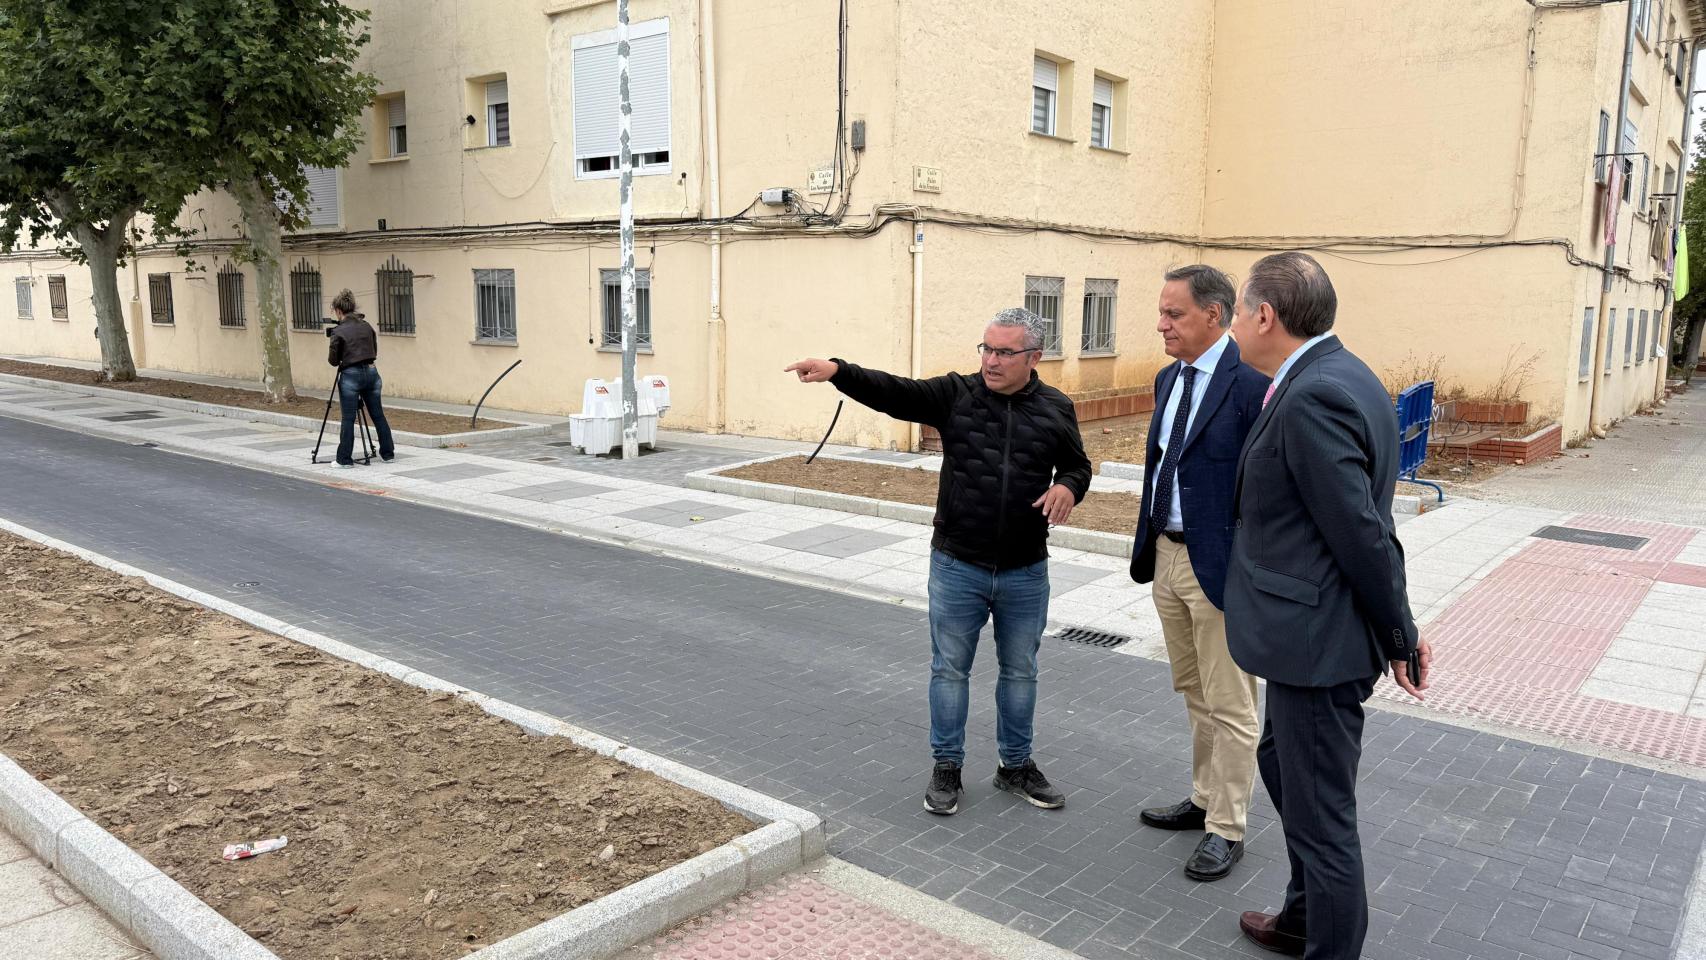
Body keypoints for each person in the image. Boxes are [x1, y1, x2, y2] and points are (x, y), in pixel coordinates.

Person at [785, 307, 1091, 816]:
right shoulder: (957, 394)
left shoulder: (1057, 407)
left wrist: (1068, 486)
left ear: (1034, 358)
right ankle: (947, 766)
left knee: (1021, 672)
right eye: (986, 349)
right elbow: (895, 392)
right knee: (949, 671)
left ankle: (1015, 766)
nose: (991, 361)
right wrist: (839, 370)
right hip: (957, 565)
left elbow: (1077, 464)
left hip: (1025, 569)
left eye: (1004, 352)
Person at [1222, 252, 1432, 958]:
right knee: (1282, 765)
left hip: (1319, 645)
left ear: (1264, 315)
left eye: (1237, 309)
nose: (1231, 324)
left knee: (1325, 826)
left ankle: (1328, 941)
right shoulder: (1336, 373)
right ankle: (1303, 918)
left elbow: (1363, 532)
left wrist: (1401, 633)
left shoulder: (1315, 393)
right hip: (1306, 636)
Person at [1129, 265, 1269, 882]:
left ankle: (1228, 828)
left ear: (1215, 315)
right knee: (1193, 689)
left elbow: (1265, 491)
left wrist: (1250, 569)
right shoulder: (1168, 378)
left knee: (1232, 701)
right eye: (1160, 313)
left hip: (1219, 568)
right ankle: (1205, 797)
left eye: (1174, 314)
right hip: (1166, 554)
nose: (1162, 324)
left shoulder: (1253, 388)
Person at [326, 289, 395, 467]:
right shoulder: (367, 326)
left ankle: (344, 459)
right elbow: (374, 349)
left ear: (338, 311)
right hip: (372, 372)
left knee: (348, 418)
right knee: (378, 414)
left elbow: (333, 361)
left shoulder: (339, 331)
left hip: (350, 374)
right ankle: (388, 453)